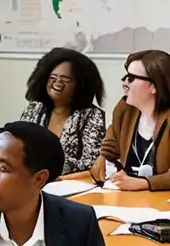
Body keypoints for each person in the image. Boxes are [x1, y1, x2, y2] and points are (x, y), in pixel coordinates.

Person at [89, 50, 170, 191]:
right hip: (125, 195)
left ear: (154, 86)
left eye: (131, 78)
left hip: (164, 197)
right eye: (125, 77)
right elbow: (110, 149)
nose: (124, 83)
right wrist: (103, 162)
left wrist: (141, 183)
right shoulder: (125, 109)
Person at [19, 47, 106, 175]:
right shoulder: (34, 109)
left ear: (80, 84)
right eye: (53, 77)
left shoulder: (92, 116)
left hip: (71, 184)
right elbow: (20, 149)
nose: (57, 83)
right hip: (30, 180)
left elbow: (91, 163)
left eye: (66, 79)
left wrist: (43, 161)